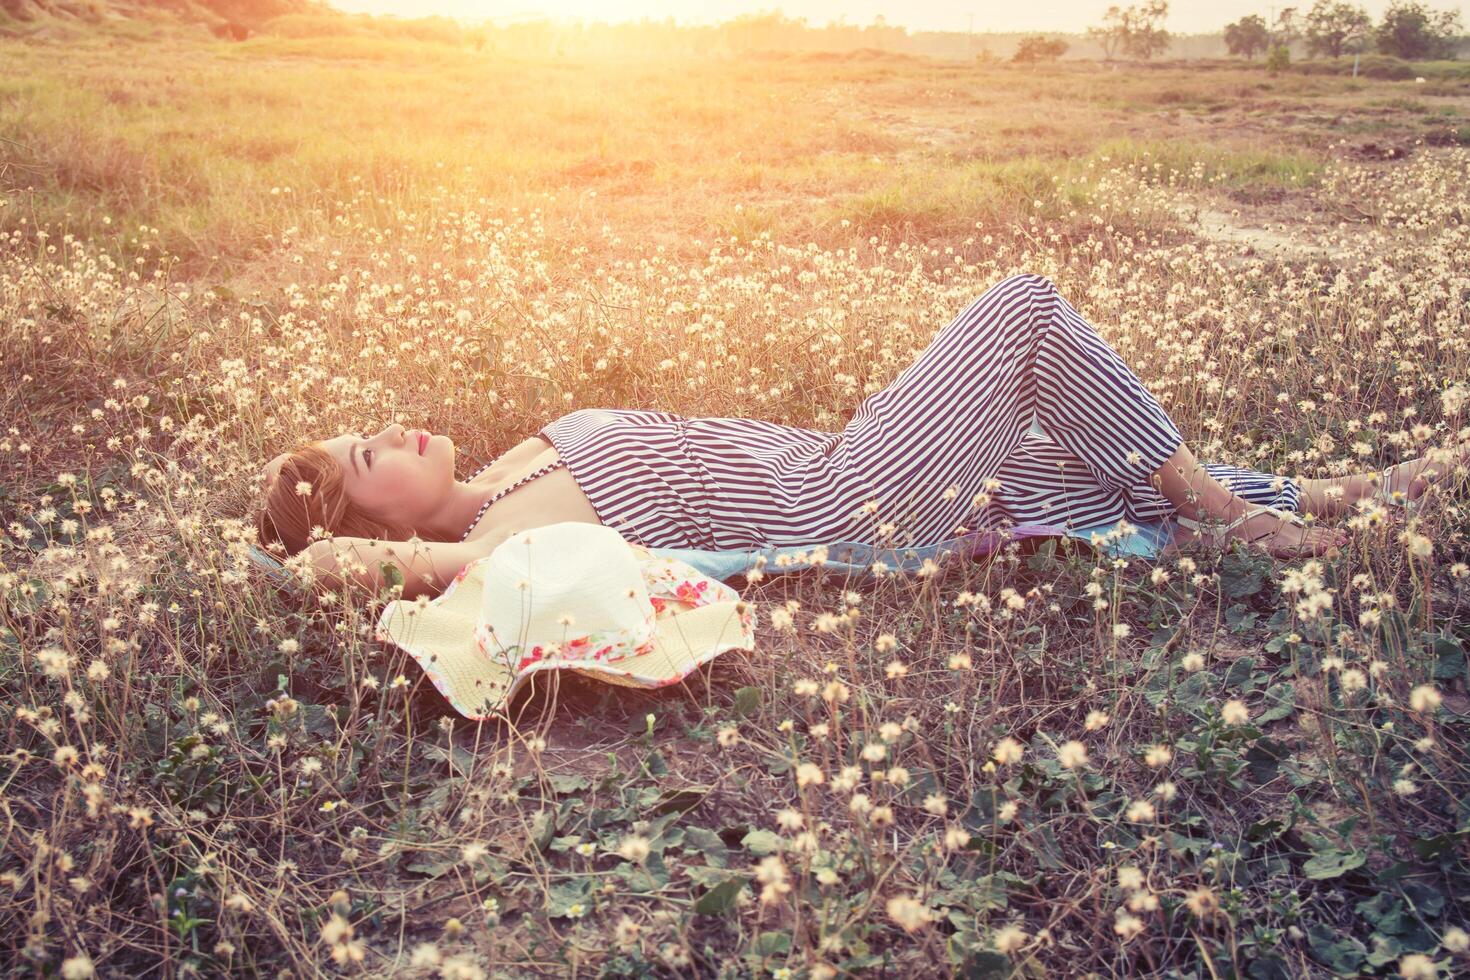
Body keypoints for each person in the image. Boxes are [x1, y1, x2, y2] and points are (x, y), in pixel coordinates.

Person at [256, 274, 1461, 601]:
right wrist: (326, 564)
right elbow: (411, 573)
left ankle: (1347, 490)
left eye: (368, 430)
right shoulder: (511, 534)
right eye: (370, 457)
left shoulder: (516, 462)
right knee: (1027, 310)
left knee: (1070, 459)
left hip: (848, 455)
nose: (395, 431)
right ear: (381, 519)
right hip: (848, 506)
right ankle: (1234, 520)